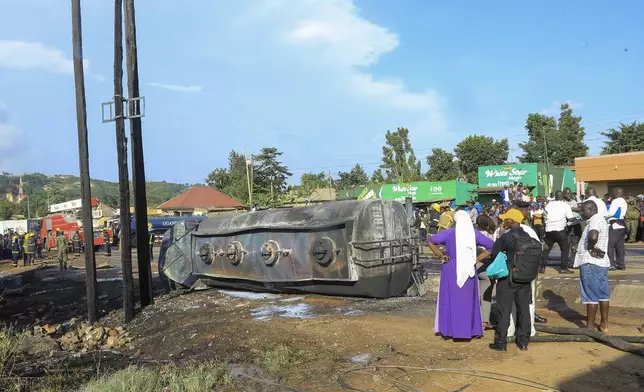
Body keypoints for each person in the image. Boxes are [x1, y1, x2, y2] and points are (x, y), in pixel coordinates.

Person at [427, 210, 494, 339]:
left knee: (450, 300)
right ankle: (469, 330)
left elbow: (430, 240)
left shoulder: (449, 233)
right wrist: (477, 259)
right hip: (469, 269)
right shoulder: (474, 234)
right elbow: (491, 246)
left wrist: (441, 255)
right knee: (468, 301)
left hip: (451, 269)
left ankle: (449, 331)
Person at [489, 208, 538, 352]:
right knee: (523, 309)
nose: (504, 221)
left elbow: (494, 253)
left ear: (512, 221)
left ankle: (501, 343)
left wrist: (502, 235)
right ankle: (523, 342)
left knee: (504, 310)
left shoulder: (507, 237)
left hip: (508, 279)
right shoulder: (529, 236)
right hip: (525, 279)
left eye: (506, 219)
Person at [574, 200, 611, 332]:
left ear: (590, 210)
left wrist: (590, 247)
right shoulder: (602, 220)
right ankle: (604, 324)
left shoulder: (594, 220)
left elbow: (593, 236)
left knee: (590, 295)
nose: (582, 213)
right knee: (603, 294)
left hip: (591, 262)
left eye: (583, 211)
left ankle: (589, 327)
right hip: (602, 262)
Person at [541, 191, 576, 274]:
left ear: (555, 197)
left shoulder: (549, 205)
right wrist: (575, 219)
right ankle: (563, 268)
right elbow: (570, 218)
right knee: (565, 249)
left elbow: (544, 215)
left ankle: (542, 267)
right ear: (563, 196)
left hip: (549, 230)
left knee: (547, 249)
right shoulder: (565, 205)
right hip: (560, 230)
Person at [476, 215, 496, 330]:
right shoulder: (493, 235)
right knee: (486, 296)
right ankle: (485, 322)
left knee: (472, 296)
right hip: (488, 266)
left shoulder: (475, 234)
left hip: (475, 265)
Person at [607, 188, 627, 271]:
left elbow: (611, 213)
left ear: (616, 193)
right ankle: (621, 264)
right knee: (620, 246)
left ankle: (612, 264)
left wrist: (604, 215)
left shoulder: (616, 201)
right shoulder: (624, 201)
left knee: (610, 246)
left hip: (615, 224)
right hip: (622, 225)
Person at [563, 188, 583, 268]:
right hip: (567, 226)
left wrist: (573, 209)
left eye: (569, 193)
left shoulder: (574, 202)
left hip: (576, 226)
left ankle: (573, 262)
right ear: (563, 194)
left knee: (575, 246)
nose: (568, 195)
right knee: (566, 246)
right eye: (566, 194)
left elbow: (580, 210)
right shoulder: (562, 203)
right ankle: (566, 262)